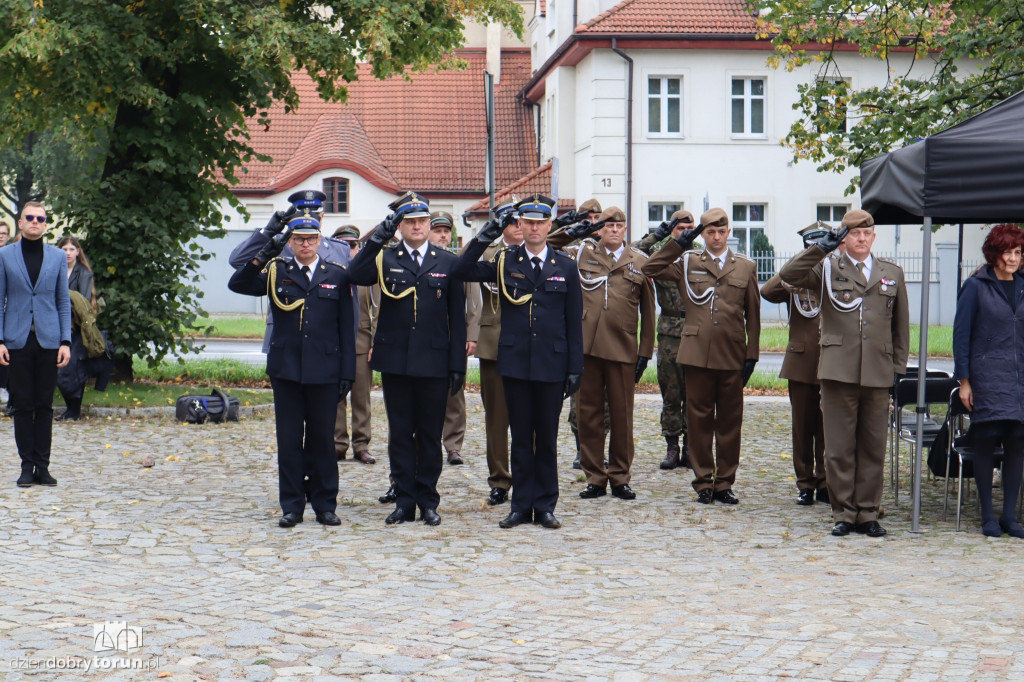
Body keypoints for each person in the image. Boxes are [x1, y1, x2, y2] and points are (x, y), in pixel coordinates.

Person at [454, 194, 584, 529]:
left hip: (552, 365)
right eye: (528, 222)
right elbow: (462, 269)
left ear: (549, 225)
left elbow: (573, 321)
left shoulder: (566, 266)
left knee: (548, 438)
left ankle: (545, 505)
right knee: (521, 437)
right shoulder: (504, 261)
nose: (535, 228)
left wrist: (574, 368)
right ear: (519, 225)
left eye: (541, 222)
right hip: (514, 363)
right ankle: (520, 505)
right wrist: (486, 233)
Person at [780, 209, 909, 538]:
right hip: (838, 371)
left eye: (866, 234)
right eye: (854, 234)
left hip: (877, 373)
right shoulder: (825, 270)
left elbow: (901, 329)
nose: (861, 239)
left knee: (872, 446)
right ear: (844, 237)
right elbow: (789, 275)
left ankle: (867, 512)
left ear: (873, 237)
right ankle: (843, 512)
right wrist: (820, 248)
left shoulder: (891, 273)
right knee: (838, 448)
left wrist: (897, 370)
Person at [228, 213, 356, 527]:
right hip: (286, 370)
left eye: (310, 239)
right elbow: (238, 283)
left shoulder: (337, 274)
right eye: (298, 239)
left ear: (319, 240)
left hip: (325, 370)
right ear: (291, 242)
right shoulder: (276, 271)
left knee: (322, 441)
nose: (305, 244)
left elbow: (347, 328)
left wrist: (347, 373)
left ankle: (325, 504)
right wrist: (264, 252)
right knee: (288, 441)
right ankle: (292, 506)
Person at [347, 192, 467, 527]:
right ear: (400, 226)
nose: (416, 227)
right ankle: (403, 500)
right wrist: (378, 237)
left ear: (430, 225)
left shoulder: (448, 262)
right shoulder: (386, 258)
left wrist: (457, 364)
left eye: (421, 221)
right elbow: (355, 274)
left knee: (429, 434)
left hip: (434, 361)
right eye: (409, 222)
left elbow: (457, 319)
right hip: (396, 359)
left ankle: (428, 499)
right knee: (400, 433)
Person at [642, 207, 760, 505]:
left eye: (721, 232)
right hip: (695, 354)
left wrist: (753, 354)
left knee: (730, 422)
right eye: (710, 232)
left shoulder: (745, 266)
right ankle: (703, 481)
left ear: (729, 233)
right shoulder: (686, 262)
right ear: (702, 234)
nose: (717, 237)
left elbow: (754, 316)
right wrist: (678, 243)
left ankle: (725, 483)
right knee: (698, 420)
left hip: (732, 353)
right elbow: (650, 268)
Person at [562, 206, 655, 501]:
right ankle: (594, 477)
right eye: (608, 225)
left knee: (621, 416)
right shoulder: (582, 255)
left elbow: (649, 312)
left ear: (626, 229)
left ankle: (619, 476)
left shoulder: (639, 261)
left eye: (619, 225)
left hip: (622, 348)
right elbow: (551, 247)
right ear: (599, 229)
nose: (614, 229)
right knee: (588, 415)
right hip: (587, 348)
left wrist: (645, 352)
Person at [953, 223, 1024, 538]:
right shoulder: (976, 286)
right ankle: (987, 516)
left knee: (1016, 446)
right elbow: (961, 336)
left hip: (1019, 380)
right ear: (994, 253)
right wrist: (964, 380)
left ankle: (1009, 516)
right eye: (1008, 252)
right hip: (985, 379)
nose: (1013, 258)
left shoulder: (1023, 285)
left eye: (1018, 252)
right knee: (984, 443)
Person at [0, 202, 71, 487]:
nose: (35, 222)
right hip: (17, 341)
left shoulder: (56, 257)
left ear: (45, 224)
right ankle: (26, 466)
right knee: (23, 404)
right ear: (20, 222)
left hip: (49, 340)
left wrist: (65, 340)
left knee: (44, 405)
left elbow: (63, 302)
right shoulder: (4, 256)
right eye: (29, 217)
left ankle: (43, 466)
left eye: (40, 218)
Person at [228, 189, 353, 353]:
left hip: (326, 343)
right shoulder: (279, 245)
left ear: (322, 215)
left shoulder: (340, 249)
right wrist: (267, 233)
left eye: (314, 211)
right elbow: (238, 260)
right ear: (292, 216)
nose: (308, 215)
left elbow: (350, 300)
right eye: (302, 211)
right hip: (285, 339)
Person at [760, 223, 829, 506]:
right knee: (802, 427)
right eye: (813, 247)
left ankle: (826, 481)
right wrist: (800, 263)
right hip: (801, 361)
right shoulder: (796, 275)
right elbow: (767, 290)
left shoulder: (837, 272)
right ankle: (805, 482)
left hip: (832, 360)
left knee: (828, 427)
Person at [469, 198, 523, 506]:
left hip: (528, 345)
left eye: (521, 221)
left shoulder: (537, 251)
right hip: (493, 344)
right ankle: (500, 480)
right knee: (497, 419)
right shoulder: (490, 252)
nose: (518, 227)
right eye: (512, 222)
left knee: (527, 418)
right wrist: (486, 235)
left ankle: (527, 476)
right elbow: (464, 263)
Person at [633, 209, 695, 470]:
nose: (685, 233)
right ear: (672, 230)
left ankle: (692, 448)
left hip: (695, 330)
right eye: (680, 228)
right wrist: (655, 237)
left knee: (695, 394)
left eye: (689, 228)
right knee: (671, 392)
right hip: (669, 330)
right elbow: (633, 254)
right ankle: (672, 446)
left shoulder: (700, 253)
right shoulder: (660, 252)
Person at [549, 199, 606, 468]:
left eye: (598, 218)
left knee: (604, 400)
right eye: (589, 218)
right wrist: (566, 225)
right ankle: (579, 448)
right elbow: (548, 245)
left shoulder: (614, 249)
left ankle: (600, 449)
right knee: (578, 399)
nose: (593, 223)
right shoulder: (575, 250)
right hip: (579, 330)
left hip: (606, 332)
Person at [428, 211, 482, 466]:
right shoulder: (422, 261)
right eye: (437, 230)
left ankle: (453, 446)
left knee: (455, 394)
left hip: (454, 335)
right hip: (428, 337)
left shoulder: (458, 262)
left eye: (446, 231)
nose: (442, 235)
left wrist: (471, 335)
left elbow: (473, 301)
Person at [330, 226, 378, 465]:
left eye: (353, 244)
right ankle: (338, 444)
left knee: (361, 398)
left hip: (361, 342)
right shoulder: (330, 271)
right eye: (344, 245)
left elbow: (377, 309)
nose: (349, 249)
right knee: (336, 397)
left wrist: (374, 341)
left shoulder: (366, 273)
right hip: (335, 344)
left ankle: (362, 444)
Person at [59, 236, 95, 307]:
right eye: (64, 250)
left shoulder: (84, 273)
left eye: (72, 249)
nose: (68, 253)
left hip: (75, 315)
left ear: (77, 252)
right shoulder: (54, 271)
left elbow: (84, 301)